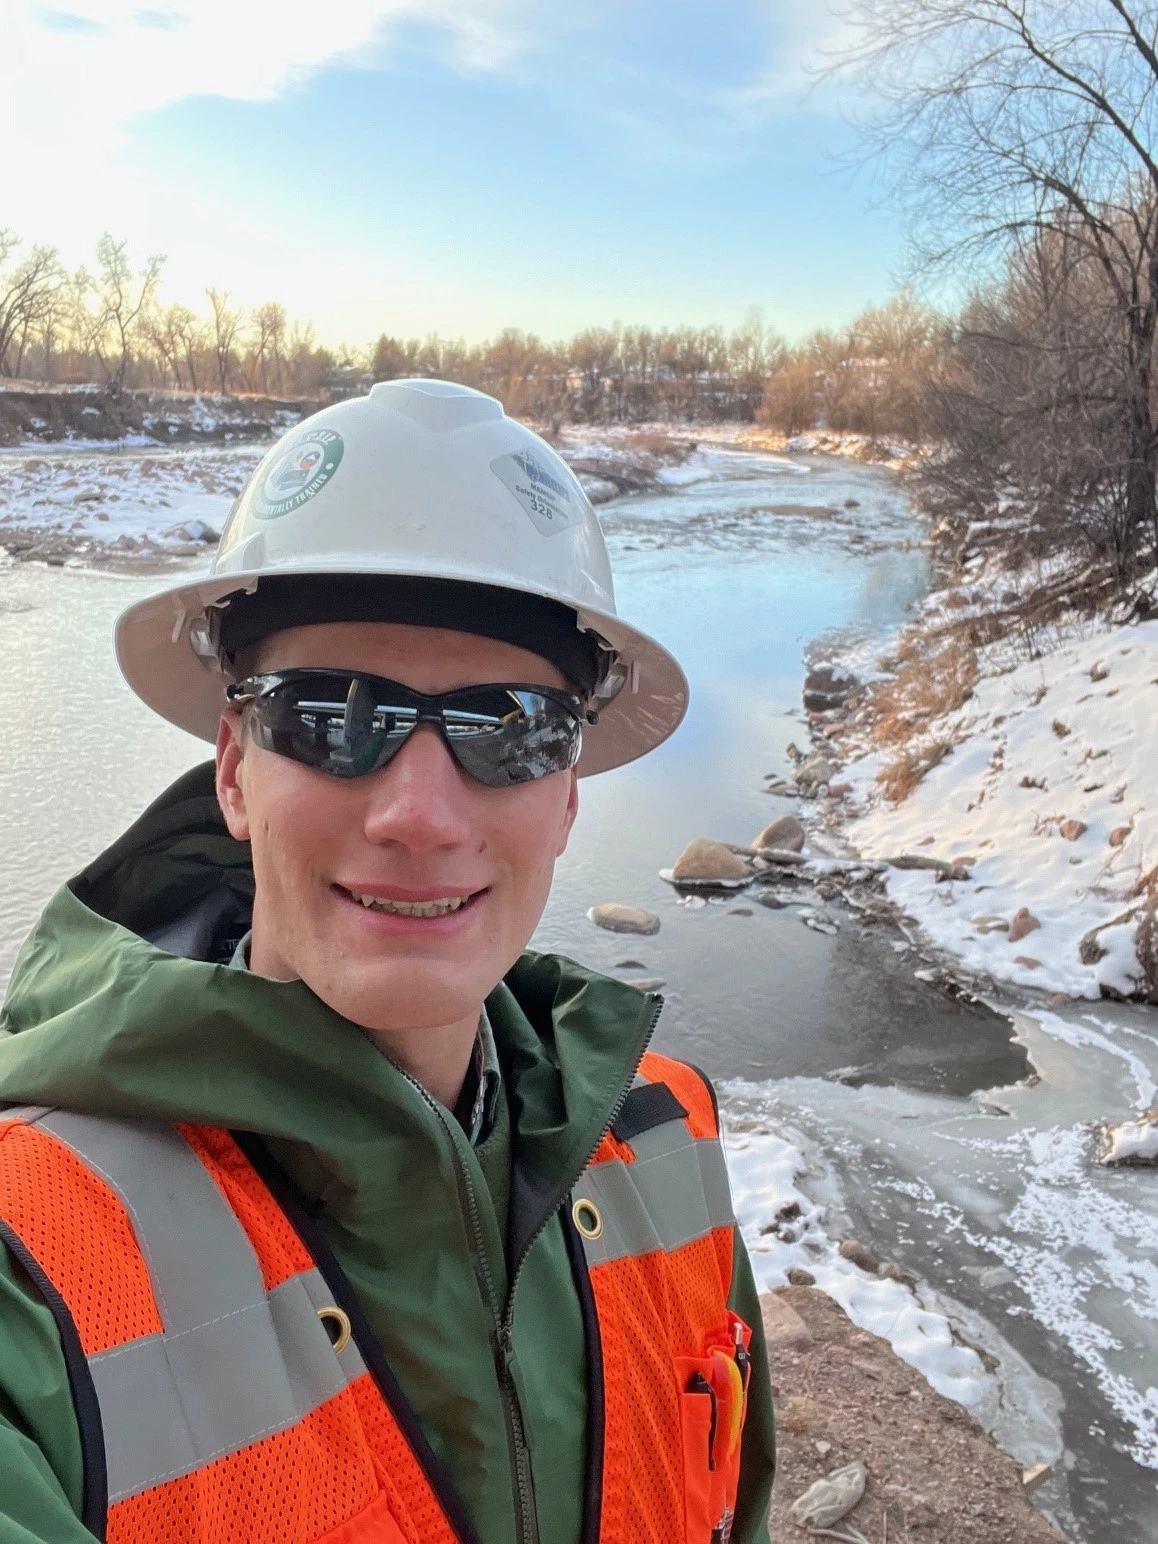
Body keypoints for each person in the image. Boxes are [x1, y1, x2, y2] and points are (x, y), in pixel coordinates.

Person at [0, 378, 775, 1544]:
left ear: (567, 791)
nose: (418, 812)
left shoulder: (669, 1142)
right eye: (329, 715)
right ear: (232, 769)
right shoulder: (36, 1261)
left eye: (508, 726)